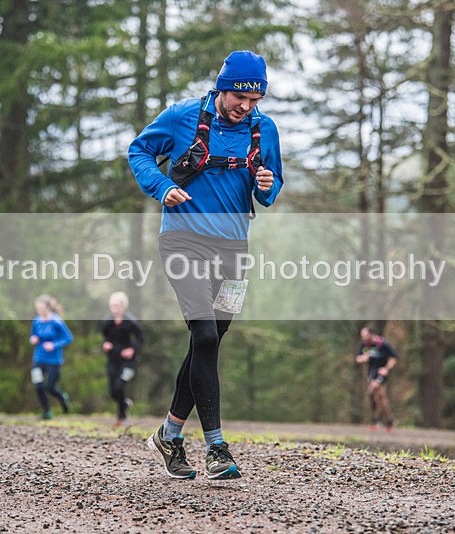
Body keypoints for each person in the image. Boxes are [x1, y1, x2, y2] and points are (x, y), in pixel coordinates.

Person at [129, 50, 283, 480]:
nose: (246, 107)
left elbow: (270, 189)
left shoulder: (264, 129)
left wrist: (267, 184)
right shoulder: (182, 116)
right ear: (221, 88)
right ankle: (217, 447)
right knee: (205, 333)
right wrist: (161, 186)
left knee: (208, 342)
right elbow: (139, 150)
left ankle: (169, 435)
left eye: (254, 100)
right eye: (239, 97)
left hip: (234, 250)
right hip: (183, 242)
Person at [101, 291, 144, 427]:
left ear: (123, 306)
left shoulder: (131, 321)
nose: (115, 307)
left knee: (119, 386)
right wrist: (106, 344)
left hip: (128, 362)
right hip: (113, 359)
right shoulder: (107, 321)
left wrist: (132, 350)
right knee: (112, 391)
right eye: (112, 305)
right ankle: (124, 403)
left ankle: (121, 414)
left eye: (117, 305)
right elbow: (105, 337)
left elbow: (140, 339)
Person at [29, 294, 74, 420]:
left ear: (48, 308)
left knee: (50, 387)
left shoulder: (56, 321)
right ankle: (47, 412)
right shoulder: (36, 321)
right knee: (38, 385)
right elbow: (32, 336)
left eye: (41, 308)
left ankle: (62, 397)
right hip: (38, 358)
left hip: (54, 360)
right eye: (37, 308)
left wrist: (54, 345)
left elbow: (69, 338)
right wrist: (33, 339)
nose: (39, 311)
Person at [355, 325, 399, 432]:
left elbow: (394, 357)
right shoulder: (364, 344)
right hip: (372, 372)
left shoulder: (383, 344)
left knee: (375, 389)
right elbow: (357, 358)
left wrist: (386, 368)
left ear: (371, 334)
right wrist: (363, 358)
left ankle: (377, 421)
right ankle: (388, 420)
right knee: (377, 397)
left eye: (364, 336)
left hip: (381, 372)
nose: (363, 338)